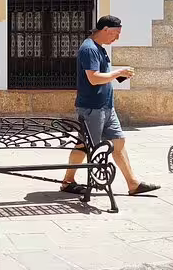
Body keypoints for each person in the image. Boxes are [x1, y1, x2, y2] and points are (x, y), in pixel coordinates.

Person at [60, 15, 160, 197]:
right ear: (105, 29)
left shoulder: (100, 48)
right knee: (83, 145)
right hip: (91, 108)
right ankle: (67, 182)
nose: (117, 38)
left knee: (119, 142)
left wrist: (118, 75)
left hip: (106, 107)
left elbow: (102, 76)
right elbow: (94, 77)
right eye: (115, 33)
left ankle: (133, 184)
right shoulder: (89, 49)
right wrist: (118, 73)